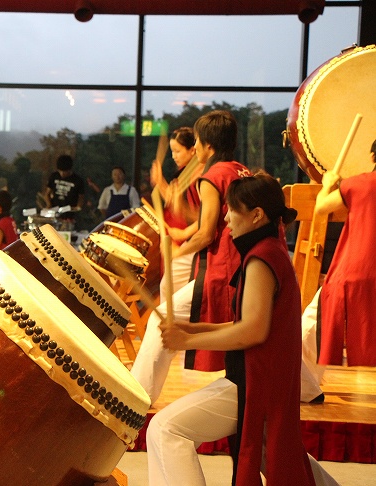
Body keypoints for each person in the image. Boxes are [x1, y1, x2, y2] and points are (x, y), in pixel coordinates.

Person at [149, 172, 337, 486]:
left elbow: (252, 331)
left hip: (255, 385)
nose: (225, 217)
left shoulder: (261, 259)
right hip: (263, 379)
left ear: (256, 215)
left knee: (166, 429)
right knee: (276, 457)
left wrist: (184, 340)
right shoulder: (270, 251)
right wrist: (192, 329)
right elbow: (250, 323)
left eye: (231, 210)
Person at [132, 110, 251, 405]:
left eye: (196, 142)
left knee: (164, 325)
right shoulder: (240, 170)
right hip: (248, 267)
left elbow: (207, 232)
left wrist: (176, 252)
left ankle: (136, 395)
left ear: (208, 145)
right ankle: (304, 386)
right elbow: (213, 222)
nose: (195, 147)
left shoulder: (211, 177)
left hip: (223, 270)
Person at [309, 138, 376, 367]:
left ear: (372, 157)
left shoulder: (359, 184)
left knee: (313, 325)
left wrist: (328, 183)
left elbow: (321, 207)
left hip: (354, 271)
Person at [151, 127, 202, 300]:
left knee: (169, 289)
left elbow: (202, 215)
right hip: (180, 235)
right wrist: (161, 184)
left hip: (190, 239)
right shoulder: (185, 173)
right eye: (172, 151)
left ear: (193, 149)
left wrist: (161, 183)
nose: (174, 156)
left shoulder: (200, 174)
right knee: (168, 288)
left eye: (177, 151)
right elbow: (177, 205)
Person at [44, 154, 85, 222]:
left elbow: (81, 197)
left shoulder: (77, 180)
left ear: (69, 169)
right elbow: (47, 194)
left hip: (69, 214)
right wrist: (49, 205)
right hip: (55, 212)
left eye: (65, 171)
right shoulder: (54, 176)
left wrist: (77, 207)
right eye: (60, 171)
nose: (62, 174)